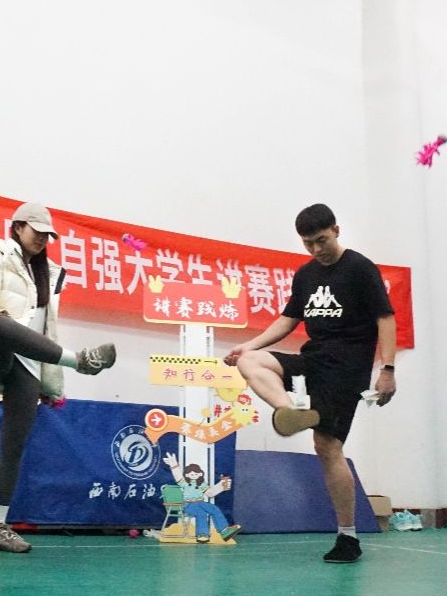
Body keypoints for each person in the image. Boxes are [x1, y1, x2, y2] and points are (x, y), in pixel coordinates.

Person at [225, 204, 396, 564]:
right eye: (308, 243)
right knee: (250, 361)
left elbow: (385, 318)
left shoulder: (360, 268)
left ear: (336, 231)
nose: (317, 249)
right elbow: (288, 320)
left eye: (321, 240)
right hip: (313, 361)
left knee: (327, 447)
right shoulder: (305, 275)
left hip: (346, 370)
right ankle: (290, 412)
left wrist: (388, 369)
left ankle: (348, 536)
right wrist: (248, 346)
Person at [0, 202, 117, 553]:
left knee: (13, 447)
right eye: (37, 232)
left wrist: (50, 381)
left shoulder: (49, 274)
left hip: (28, 366)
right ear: (17, 228)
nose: (43, 239)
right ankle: (81, 361)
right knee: (0, 322)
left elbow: (46, 326)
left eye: (48, 235)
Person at [162, 453, 240, 542]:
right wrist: (174, 466)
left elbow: (210, 493)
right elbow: (178, 476)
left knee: (214, 508)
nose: (194, 475)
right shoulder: (184, 483)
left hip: (200, 502)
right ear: (187, 475)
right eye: (191, 474)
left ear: (200, 474)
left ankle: (224, 531)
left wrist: (221, 486)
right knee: (201, 513)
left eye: (196, 473)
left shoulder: (202, 484)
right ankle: (202, 534)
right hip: (189, 505)